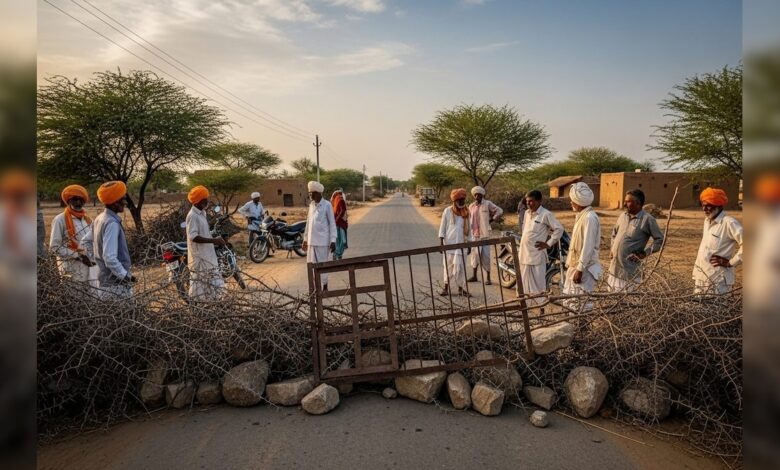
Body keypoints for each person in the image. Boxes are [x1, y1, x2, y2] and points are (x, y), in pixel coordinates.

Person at [607, 189, 664, 292]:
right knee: (612, 301)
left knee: (627, 303)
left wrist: (644, 253)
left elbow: (659, 240)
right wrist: (613, 248)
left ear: (638, 203)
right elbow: (614, 234)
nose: (624, 204)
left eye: (628, 201)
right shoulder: (622, 216)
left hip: (630, 272)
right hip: (614, 269)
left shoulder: (647, 219)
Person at [518, 190, 564, 308]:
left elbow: (559, 229)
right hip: (524, 254)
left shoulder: (546, 214)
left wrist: (548, 244)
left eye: (531, 201)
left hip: (537, 255)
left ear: (539, 201)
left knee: (539, 285)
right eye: (527, 201)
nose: (529, 204)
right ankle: (525, 307)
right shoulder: (527, 213)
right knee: (523, 283)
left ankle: (540, 309)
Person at [693, 187, 742, 295]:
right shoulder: (706, 221)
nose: (705, 209)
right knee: (698, 309)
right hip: (701, 277)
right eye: (703, 205)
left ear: (718, 206)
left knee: (717, 310)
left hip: (719, 281)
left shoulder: (729, 223)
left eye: (709, 205)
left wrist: (731, 263)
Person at [562, 182, 602, 311]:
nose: (571, 203)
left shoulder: (590, 218)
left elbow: (588, 246)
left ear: (577, 202)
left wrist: (579, 269)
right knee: (571, 303)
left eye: (572, 200)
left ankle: (581, 330)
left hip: (585, 269)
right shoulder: (581, 216)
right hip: (576, 266)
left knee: (581, 305)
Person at [92, 181, 135, 299]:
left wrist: (97, 261)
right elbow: (109, 257)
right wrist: (125, 276)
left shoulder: (99, 218)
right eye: (123, 199)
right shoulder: (111, 223)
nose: (125, 202)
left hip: (104, 282)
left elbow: (86, 242)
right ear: (115, 202)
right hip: (115, 286)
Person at [49, 184, 96, 284]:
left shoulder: (88, 220)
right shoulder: (60, 220)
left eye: (81, 199)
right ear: (69, 201)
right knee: (74, 298)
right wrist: (77, 255)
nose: (78, 202)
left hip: (90, 270)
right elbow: (54, 248)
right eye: (75, 199)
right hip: (70, 270)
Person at [186, 185, 226, 301]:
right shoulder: (192, 216)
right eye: (204, 200)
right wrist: (214, 241)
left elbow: (203, 233)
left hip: (207, 255)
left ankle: (213, 306)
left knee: (212, 283)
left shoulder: (202, 213)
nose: (207, 201)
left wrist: (215, 238)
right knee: (198, 287)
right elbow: (193, 237)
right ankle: (198, 310)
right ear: (198, 201)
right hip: (200, 257)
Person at [302, 181, 337, 291]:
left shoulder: (327, 205)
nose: (310, 195)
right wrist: (305, 239)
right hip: (312, 241)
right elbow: (308, 223)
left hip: (323, 241)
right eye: (309, 193)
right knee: (311, 265)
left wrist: (333, 240)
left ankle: (325, 285)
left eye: (311, 193)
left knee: (323, 265)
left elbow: (332, 223)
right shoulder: (311, 206)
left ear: (318, 193)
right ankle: (315, 287)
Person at [467, 186, 503, 284]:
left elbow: (499, 210)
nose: (477, 196)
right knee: (474, 256)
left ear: (483, 195)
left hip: (485, 235)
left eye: (479, 194)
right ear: (474, 195)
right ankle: (474, 276)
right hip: (475, 235)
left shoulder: (487, 204)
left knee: (486, 256)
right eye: (475, 194)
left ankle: (488, 278)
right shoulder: (471, 206)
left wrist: (492, 219)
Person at [438, 188, 471, 297]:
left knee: (461, 267)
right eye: (460, 200)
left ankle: (460, 289)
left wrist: (469, 243)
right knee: (448, 267)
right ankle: (446, 288)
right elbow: (442, 227)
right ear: (454, 201)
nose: (462, 202)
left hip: (462, 244)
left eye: (463, 200)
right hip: (449, 244)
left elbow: (469, 229)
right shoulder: (447, 211)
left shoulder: (467, 212)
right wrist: (441, 242)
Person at [331, 188, 349, 260]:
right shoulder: (340, 199)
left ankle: (337, 254)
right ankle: (338, 254)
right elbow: (342, 210)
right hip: (340, 223)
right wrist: (336, 220)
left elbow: (341, 211)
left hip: (338, 223)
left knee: (338, 240)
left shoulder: (337, 199)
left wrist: (335, 220)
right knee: (342, 240)